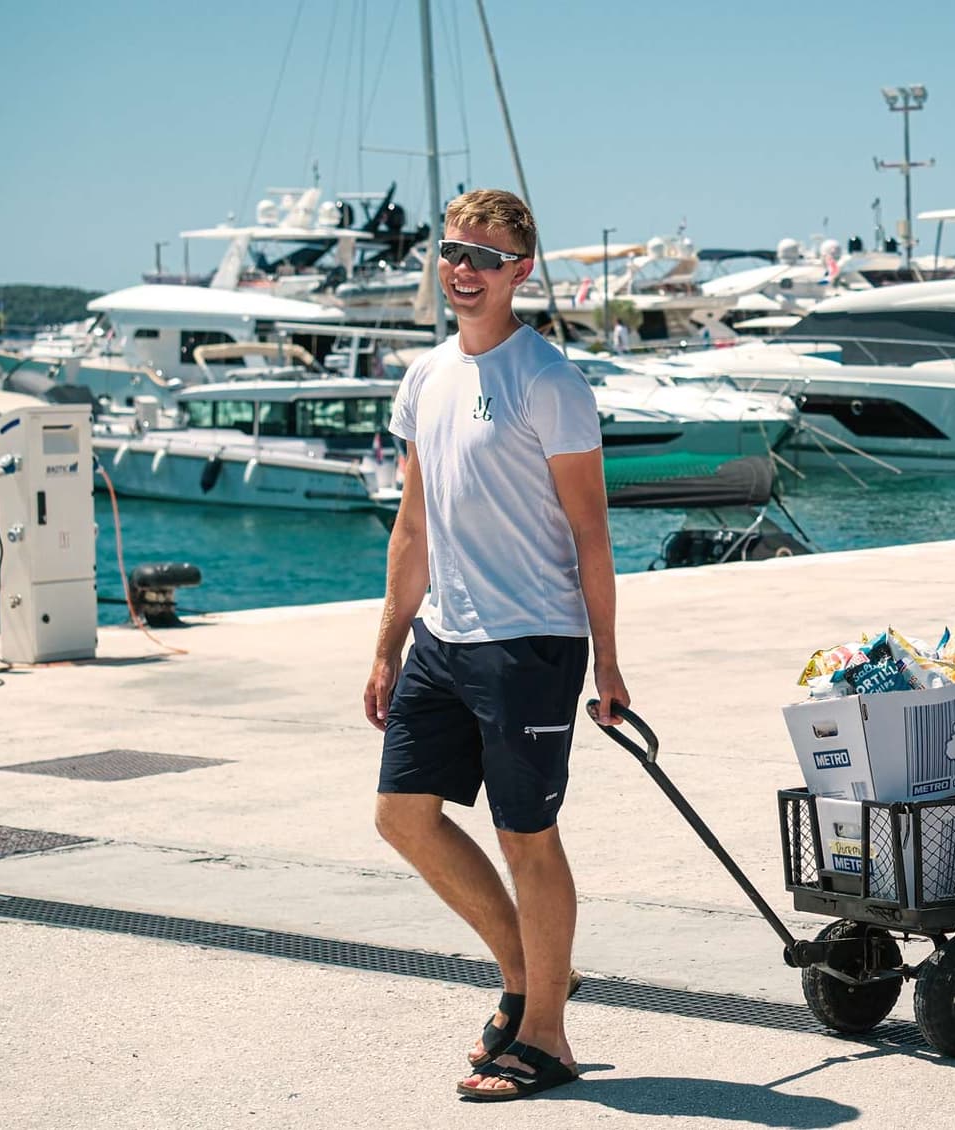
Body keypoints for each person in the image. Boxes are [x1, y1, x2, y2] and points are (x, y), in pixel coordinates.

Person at [362, 188, 629, 1102]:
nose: (463, 269)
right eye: (452, 252)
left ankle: (547, 1036)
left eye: (484, 256)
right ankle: (530, 976)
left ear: (521, 271)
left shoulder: (549, 382)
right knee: (402, 815)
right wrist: (388, 645)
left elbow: (592, 535)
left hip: (531, 644)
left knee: (527, 839)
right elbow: (412, 526)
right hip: (444, 637)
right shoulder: (426, 375)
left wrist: (610, 663)